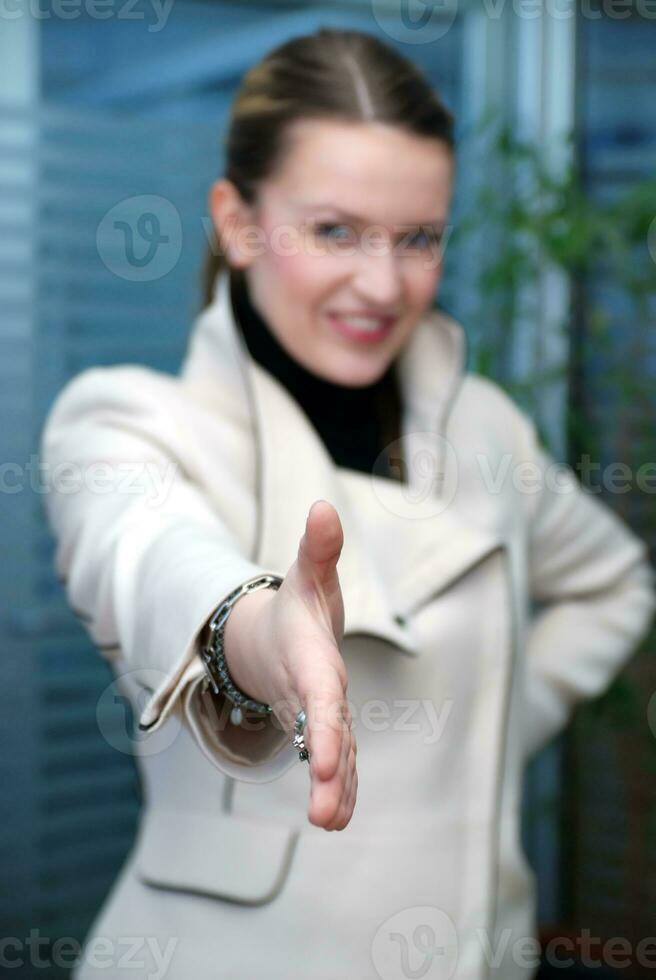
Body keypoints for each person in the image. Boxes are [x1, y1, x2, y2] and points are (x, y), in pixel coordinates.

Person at [39, 27, 654, 980]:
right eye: (335, 231)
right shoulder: (126, 421)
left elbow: (614, 583)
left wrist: (484, 735)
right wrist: (255, 631)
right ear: (238, 222)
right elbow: (153, 558)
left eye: (419, 239)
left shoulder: (484, 431)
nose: (382, 284)